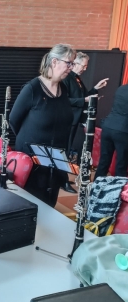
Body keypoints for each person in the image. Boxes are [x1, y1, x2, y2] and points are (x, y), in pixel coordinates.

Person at [9, 43, 76, 207]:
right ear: (54, 62)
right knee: (30, 205)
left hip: (56, 159)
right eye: (69, 63)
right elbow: (13, 120)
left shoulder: (64, 89)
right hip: (33, 159)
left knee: (50, 202)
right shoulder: (32, 89)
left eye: (72, 63)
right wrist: (29, 140)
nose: (71, 68)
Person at [62, 51, 108, 192]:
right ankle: (62, 181)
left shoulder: (77, 79)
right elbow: (65, 100)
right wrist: (84, 100)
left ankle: (64, 179)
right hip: (68, 119)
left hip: (76, 119)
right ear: (75, 63)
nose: (85, 68)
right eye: (84, 65)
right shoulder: (67, 78)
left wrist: (95, 88)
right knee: (64, 150)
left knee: (68, 149)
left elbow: (84, 96)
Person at [95, 83, 128, 179]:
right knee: (121, 164)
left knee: (103, 161)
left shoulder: (121, 89)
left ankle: (95, 188)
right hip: (122, 130)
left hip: (108, 126)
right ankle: (117, 191)